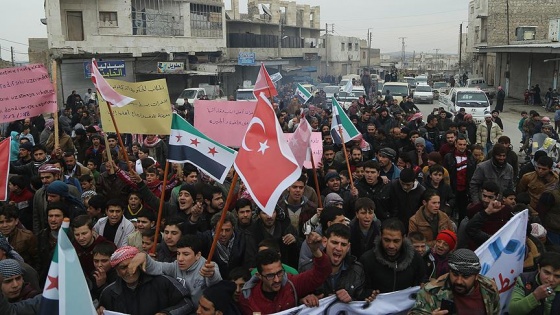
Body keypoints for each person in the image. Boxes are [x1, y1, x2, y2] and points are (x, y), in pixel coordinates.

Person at [238, 232, 331, 314]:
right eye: (270, 276)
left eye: (279, 273)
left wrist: (315, 251)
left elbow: (321, 273)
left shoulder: (292, 284)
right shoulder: (247, 298)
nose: (277, 279)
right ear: (259, 276)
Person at [128, 235, 222, 308]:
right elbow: (157, 267)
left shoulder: (208, 266)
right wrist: (144, 256)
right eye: (178, 253)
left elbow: (216, 284)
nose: (180, 259)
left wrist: (211, 275)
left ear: (198, 255)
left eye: (186, 254)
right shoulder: (175, 266)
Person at [97, 246, 195, 315]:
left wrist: (166, 313)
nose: (131, 270)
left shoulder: (163, 282)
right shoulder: (108, 293)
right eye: (123, 267)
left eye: (133, 265)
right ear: (117, 271)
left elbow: (187, 304)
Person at [409, 248, 500, 315]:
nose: (459, 281)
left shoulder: (489, 287)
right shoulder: (431, 291)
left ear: (476, 276)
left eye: (465, 276)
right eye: (455, 274)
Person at [299, 224, 365, 303]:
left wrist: (351, 301)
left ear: (348, 247)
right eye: (334, 242)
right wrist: (303, 300)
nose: (338, 248)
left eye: (343, 244)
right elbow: (295, 303)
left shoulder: (357, 270)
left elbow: (362, 305)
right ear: (324, 242)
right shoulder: (307, 269)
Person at [360, 218, 425, 294]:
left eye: (396, 241)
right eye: (387, 240)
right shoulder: (367, 260)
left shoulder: (415, 259)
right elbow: (360, 290)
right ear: (381, 236)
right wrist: (369, 294)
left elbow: (422, 280)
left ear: (403, 238)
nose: (391, 246)